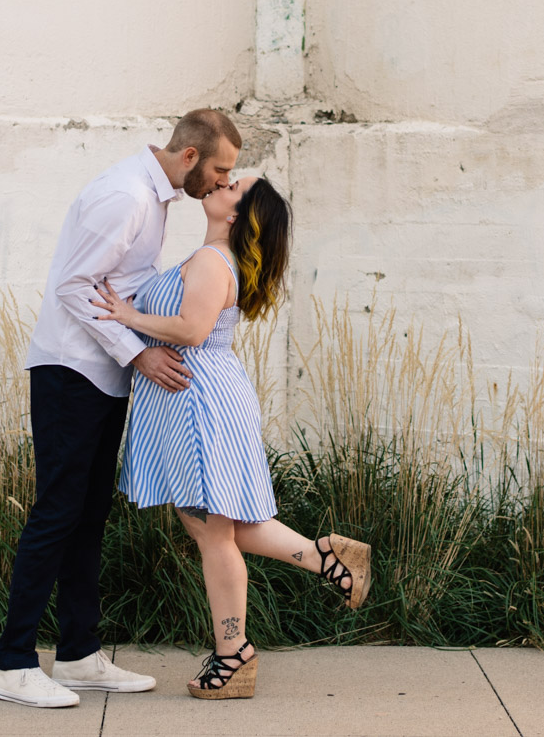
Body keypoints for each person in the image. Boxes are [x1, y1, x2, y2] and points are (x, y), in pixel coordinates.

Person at [0, 109, 241, 710]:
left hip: (100, 376)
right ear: (189, 158)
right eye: (220, 169)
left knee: (87, 514)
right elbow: (75, 286)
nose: (222, 182)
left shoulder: (152, 198)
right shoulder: (125, 196)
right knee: (56, 511)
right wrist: (139, 355)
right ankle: (14, 663)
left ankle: (77, 655)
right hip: (70, 371)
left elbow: (120, 283)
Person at [94, 174, 373, 701]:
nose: (222, 182)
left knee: (211, 531)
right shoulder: (217, 259)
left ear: (236, 215)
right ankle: (326, 558)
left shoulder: (211, 261)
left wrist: (129, 314)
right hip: (200, 397)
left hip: (197, 403)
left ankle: (234, 654)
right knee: (218, 524)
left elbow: (193, 330)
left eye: (233, 185)